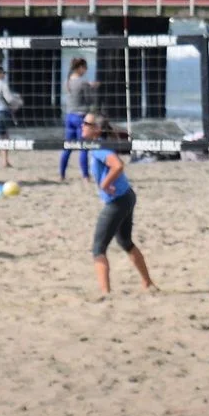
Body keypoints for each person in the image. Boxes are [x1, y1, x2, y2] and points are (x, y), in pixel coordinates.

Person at [79, 113, 157, 297]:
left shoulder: (100, 148)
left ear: (97, 129)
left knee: (98, 248)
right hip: (127, 197)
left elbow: (118, 165)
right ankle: (148, 283)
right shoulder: (97, 146)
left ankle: (105, 293)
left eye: (86, 123)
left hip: (118, 201)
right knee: (125, 242)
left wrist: (105, 184)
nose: (82, 125)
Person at [59, 59, 97, 181]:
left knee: (67, 147)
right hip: (80, 116)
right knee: (84, 147)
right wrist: (92, 88)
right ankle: (85, 176)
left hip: (69, 116)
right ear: (80, 68)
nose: (86, 70)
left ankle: (62, 174)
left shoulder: (67, 82)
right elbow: (90, 100)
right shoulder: (83, 82)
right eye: (85, 68)